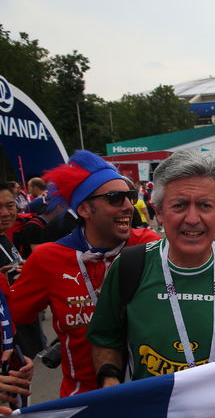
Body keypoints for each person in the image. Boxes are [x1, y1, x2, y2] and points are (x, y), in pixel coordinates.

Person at [88, 150, 215, 385]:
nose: (192, 219)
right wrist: (110, 380)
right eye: (179, 205)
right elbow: (104, 339)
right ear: (160, 212)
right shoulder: (129, 266)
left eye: (205, 206)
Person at [9, 151, 161, 397]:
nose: (128, 206)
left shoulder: (150, 245)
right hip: (82, 401)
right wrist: (16, 361)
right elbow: (13, 317)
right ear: (84, 209)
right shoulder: (48, 259)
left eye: (130, 197)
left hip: (150, 393)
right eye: (115, 198)